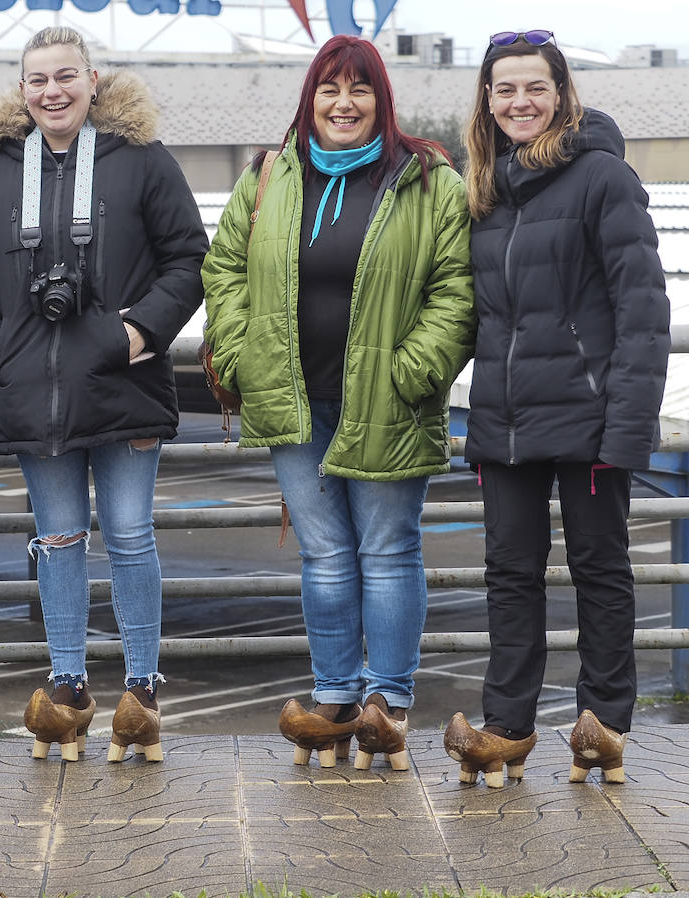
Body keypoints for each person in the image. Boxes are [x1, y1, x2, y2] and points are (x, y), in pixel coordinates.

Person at [202, 34, 475, 771]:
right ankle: (336, 698)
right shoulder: (270, 177)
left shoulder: (428, 182)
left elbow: (457, 290)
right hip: (294, 399)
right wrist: (239, 354)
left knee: (387, 552)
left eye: (360, 89)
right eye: (330, 88)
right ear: (310, 98)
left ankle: (388, 702)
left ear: (382, 101)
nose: (344, 103)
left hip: (389, 399)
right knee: (324, 556)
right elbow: (223, 269)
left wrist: (414, 370)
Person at [0, 27, 207, 763]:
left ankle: (141, 692)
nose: (52, 92)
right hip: (32, 389)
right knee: (58, 542)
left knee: (128, 537)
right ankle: (66, 687)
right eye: (37, 81)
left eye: (66, 77)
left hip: (122, 379)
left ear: (94, 80)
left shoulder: (144, 163)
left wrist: (136, 335)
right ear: (20, 91)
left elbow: (189, 258)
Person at [443, 31, 669, 788]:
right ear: (486, 99)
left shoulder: (604, 177)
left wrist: (628, 425)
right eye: (504, 89)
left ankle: (602, 725)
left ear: (562, 94)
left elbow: (643, 309)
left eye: (534, 88)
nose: (520, 103)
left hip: (591, 416)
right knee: (509, 572)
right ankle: (507, 727)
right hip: (504, 419)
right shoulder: (481, 189)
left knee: (600, 568)